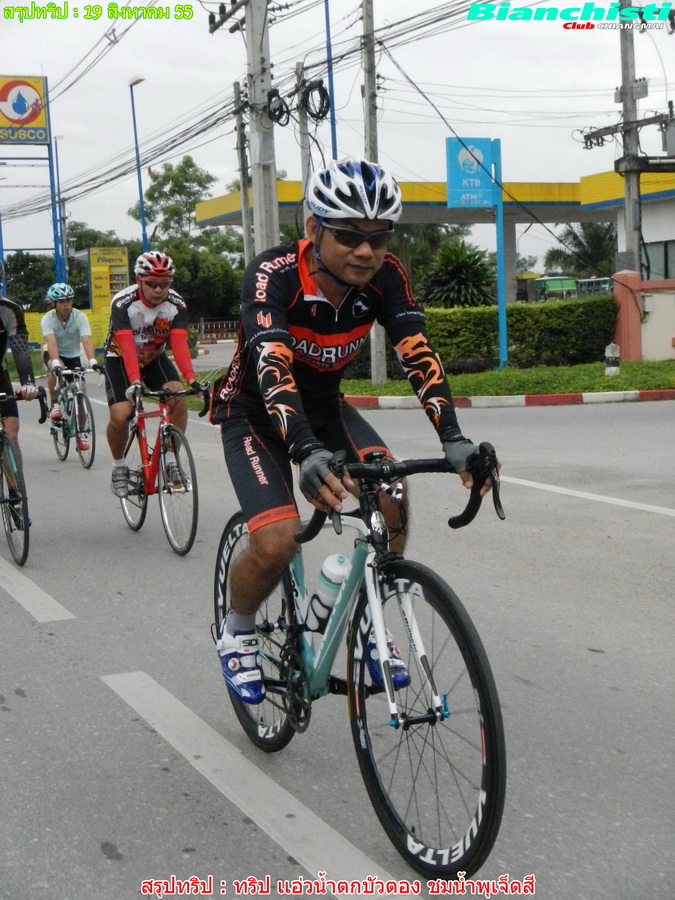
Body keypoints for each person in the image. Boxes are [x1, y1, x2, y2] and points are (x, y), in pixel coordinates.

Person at [211, 157, 496, 705]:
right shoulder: (273, 275)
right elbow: (272, 366)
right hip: (254, 413)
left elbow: (417, 354)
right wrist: (304, 451)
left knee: (391, 490)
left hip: (323, 407)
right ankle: (237, 630)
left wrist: (454, 439)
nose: (366, 251)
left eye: (378, 237)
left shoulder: (386, 278)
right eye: (348, 235)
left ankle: (366, 615)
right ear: (313, 229)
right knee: (277, 541)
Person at [103, 250, 202, 499]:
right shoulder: (123, 303)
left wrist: (191, 379)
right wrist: (135, 381)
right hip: (120, 359)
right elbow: (126, 345)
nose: (158, 290)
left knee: (177, 396)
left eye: (164, 284)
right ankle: (119, 466)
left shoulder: (176, 305)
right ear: (139, 280)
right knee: (121, 415)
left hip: (154, 358)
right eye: (151, 284)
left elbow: (179, 344)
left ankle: (171, 460)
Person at [40, 282, 100, 452]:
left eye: (69, 300)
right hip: (54, 353)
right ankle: (54, 404)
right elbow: (51, 342)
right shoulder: (48, 319)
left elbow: (86, 340)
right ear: (54, 303)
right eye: (61, 301)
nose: (66, 304)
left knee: (81, 391)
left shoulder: (80, 317)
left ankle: (81, 433)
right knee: (55, 369)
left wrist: (93, 361)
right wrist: (56, 363)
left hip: (73, 355)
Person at [0, 259, 40, 472]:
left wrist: (28, 383)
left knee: (11, 432)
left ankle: (16, 490)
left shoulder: (10, 310)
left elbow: (20, 350)